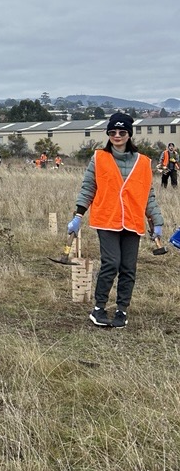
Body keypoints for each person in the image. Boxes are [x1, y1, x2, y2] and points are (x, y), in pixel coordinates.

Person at [67, 112, 163, 329]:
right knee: (112, 263)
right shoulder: (99, 158)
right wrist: (78, 216)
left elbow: (148, 196)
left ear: (129, 134)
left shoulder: (144, 162)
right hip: (106, 219)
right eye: (112, 132)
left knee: (128, 268)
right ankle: (98, 308)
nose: (117, 135)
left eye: (122, 132)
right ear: (108, 134)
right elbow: (88, 188)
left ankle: (122, 311)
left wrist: (157, 222)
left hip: (133, 221)